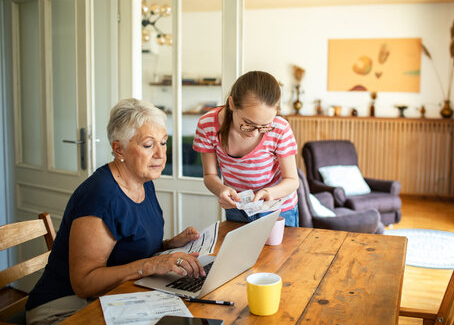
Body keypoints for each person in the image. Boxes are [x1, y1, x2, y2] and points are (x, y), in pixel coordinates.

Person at [26, 98, 206, 325]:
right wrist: (151, 265)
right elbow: (83, 284)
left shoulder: (143, 180)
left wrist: (168, 245)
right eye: (149, 145)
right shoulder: (101, 195)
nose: (161, 154)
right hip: (65, 310)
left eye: (163, 142)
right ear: (118, 148)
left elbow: (126, 247)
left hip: (115, 297)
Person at [193, 71, 299, 226]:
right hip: (237, 209)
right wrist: (221, 190)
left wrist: (269, 193)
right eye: (248, 123)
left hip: (279, 209)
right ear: (232, 104)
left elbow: (292, 180)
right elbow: (209, 175)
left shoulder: (279, 128)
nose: (255, 133)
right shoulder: (208, 125)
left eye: (264, 126)